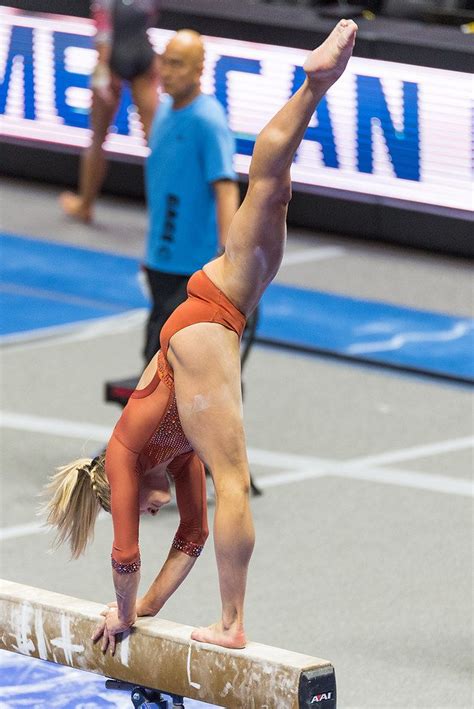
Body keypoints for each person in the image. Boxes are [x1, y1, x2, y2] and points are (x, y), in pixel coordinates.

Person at [43, 19, 358, 654]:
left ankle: (233, 621)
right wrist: (150, 610)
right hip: (216, 314)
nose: (149, 509)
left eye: (138, 503)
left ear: (115, 487)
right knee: (274, 191)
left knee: (235, 477)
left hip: (200, 323)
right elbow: (192, 536)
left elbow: (125, 555)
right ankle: (314, 88)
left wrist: (126, 611)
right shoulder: (179, 458)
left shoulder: (127, 453)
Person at [142, 30, 240, 366]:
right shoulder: (164, 110)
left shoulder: (207, 120)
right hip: (160, 259)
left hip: (192, 269)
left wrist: (228, 256)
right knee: (153, 362)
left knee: (178, 367)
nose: (167, 71)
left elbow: (226, 187)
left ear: (199, 70)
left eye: (178, 64)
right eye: (164, 62)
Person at [59, 0, 161, 223]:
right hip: (141, 54)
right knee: (156, 144)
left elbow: (103, 29)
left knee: (99, 138)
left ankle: (85, 205)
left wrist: (103, 68)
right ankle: (165, 214)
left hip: (115, 58)